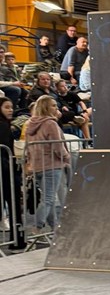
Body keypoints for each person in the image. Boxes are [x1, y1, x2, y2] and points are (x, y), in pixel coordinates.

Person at [25, 96, 70, 234]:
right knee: (49, 199)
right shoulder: (50, 124)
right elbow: (57, 145)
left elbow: (28, 147)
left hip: (37, 166)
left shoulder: (30, 124)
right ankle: (38, 226)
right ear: (45, 107)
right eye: (53, 106)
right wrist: (66, 157)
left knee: (48, 198)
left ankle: (54, 226)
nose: (56, 108)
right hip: (52, 165)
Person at [0, 97, 26, 250]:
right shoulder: (3, 126)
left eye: (11, 107)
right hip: (6, 173)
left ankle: (16, 240)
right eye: (6, 107)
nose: (10, 110)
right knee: (14, 205)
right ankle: (17, 240)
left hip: (6, 171)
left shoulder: (6, 125)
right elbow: (5, 151)